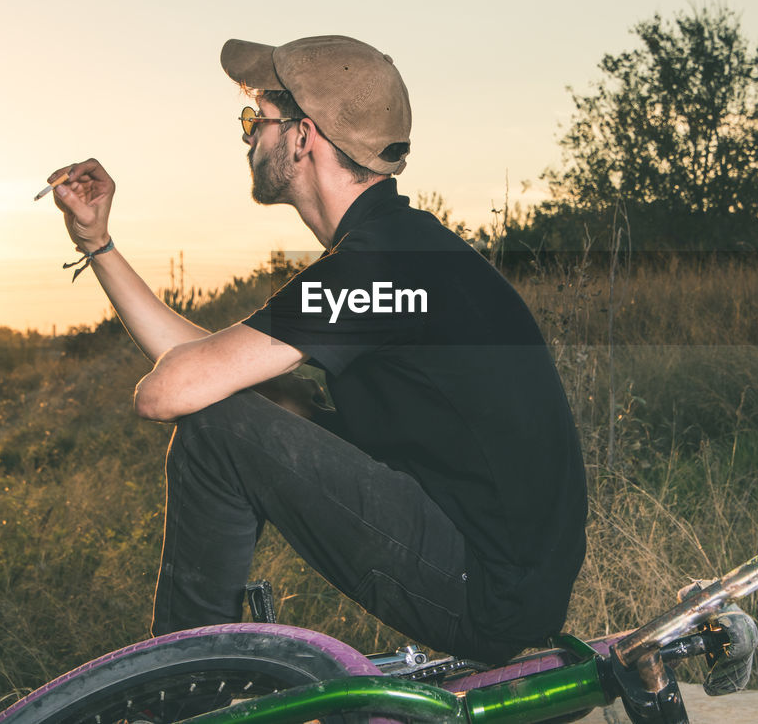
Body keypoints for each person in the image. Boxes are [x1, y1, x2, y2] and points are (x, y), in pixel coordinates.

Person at [47, 34, 587, 665]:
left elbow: (169, 392)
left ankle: (181, 693)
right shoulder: (399, 250)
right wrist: (98, 244)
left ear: (303, 137)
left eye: (257, 120)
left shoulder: (381, 268)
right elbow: (202, 367)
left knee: (217, 425)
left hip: (487, 591)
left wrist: (192, 384)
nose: (247, 136)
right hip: (502, 576)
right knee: (254, 397)